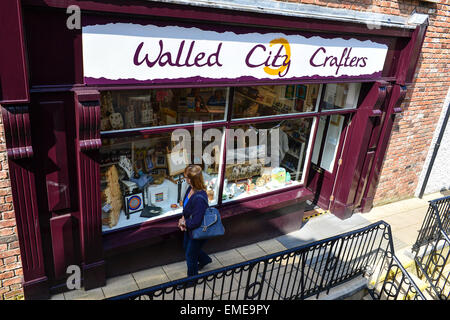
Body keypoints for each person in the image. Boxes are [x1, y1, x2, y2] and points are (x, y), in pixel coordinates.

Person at [178, 165, 213, 277]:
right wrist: (183, 217)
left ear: (191, 179)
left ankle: (192, 280)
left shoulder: (199, 198)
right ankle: (204, 260)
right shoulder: (190, 189)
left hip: (198, 230)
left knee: (190, 255)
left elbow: (197, 221)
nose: (184, 179)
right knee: (185, 246)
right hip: (190, 228)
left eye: (186, 177)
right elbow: (186, 207)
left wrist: (184, 223)